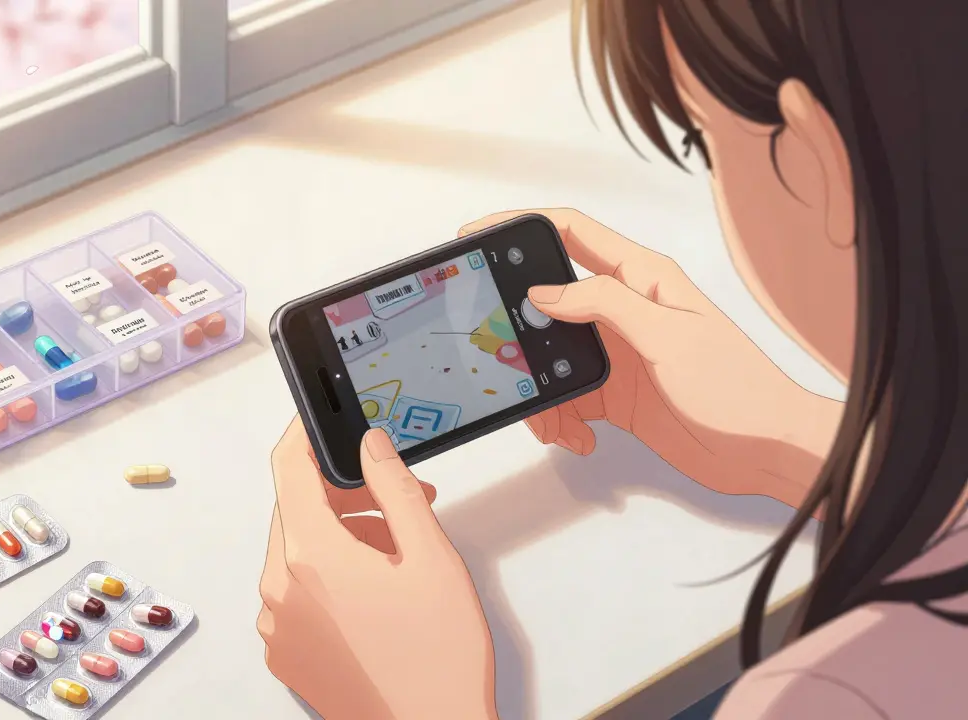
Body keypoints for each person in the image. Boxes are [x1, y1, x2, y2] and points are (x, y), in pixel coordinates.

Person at [257, 1, 968, 718]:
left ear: (814, 157)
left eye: (700, 139)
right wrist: (794, 440)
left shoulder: (832, 695)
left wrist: (416, 706)